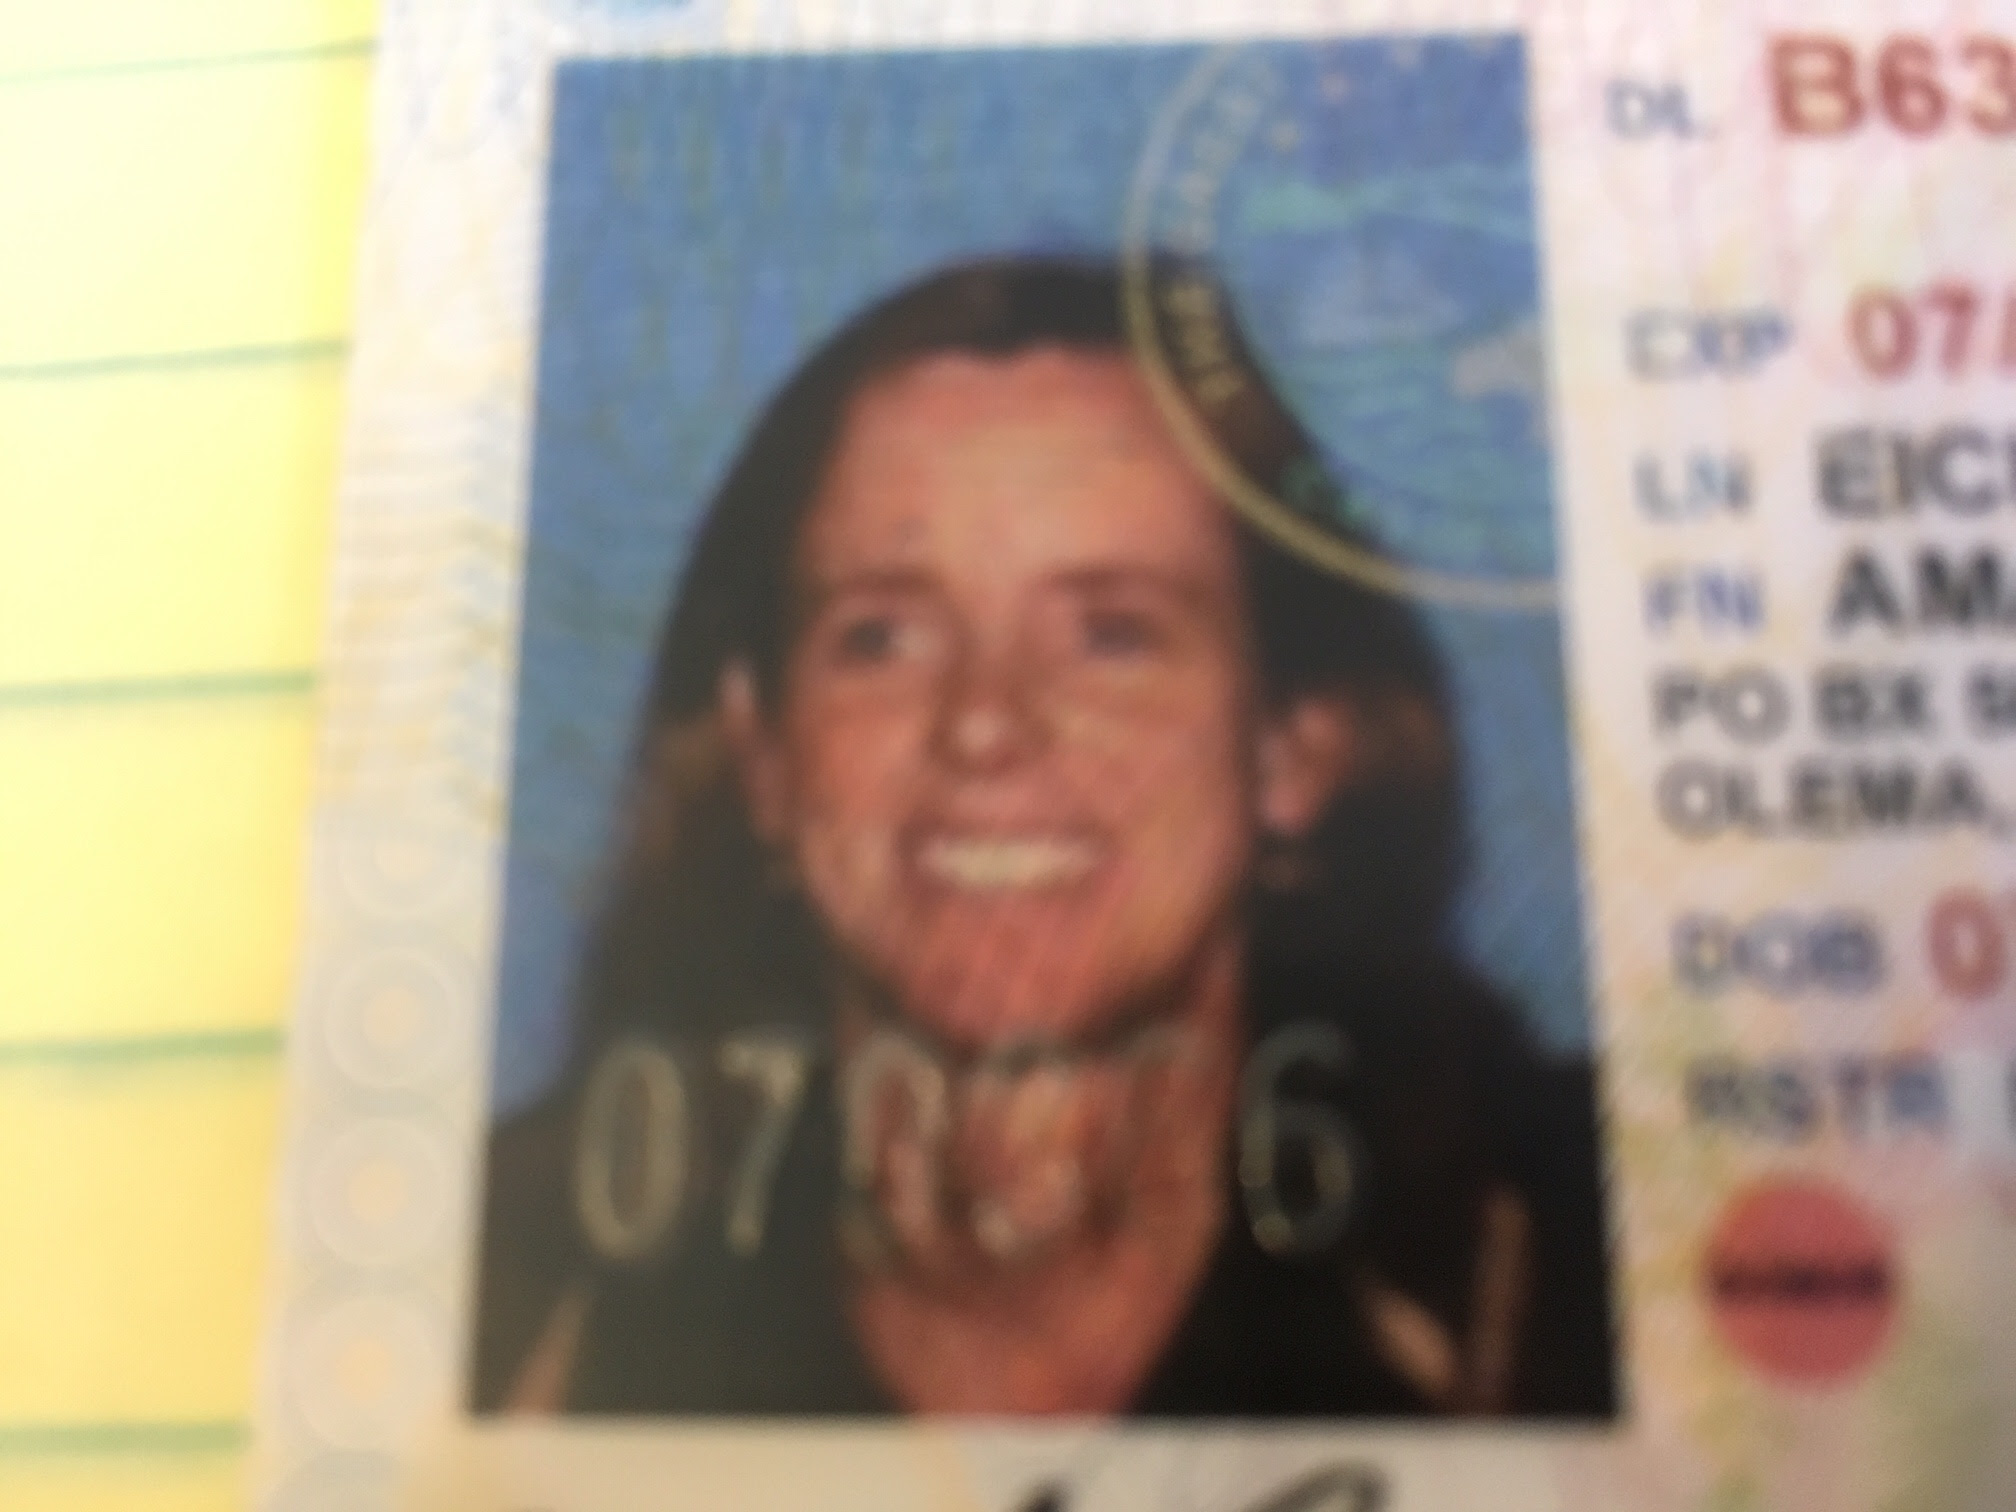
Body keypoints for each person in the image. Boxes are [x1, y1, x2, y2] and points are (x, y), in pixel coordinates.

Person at [473, 257, 1616, 1418]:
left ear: (1293, 750)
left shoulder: (1599, 1247)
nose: (985, 724)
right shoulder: (506, 1292)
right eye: (882, 638)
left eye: (1111, 634)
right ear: (759, 755)